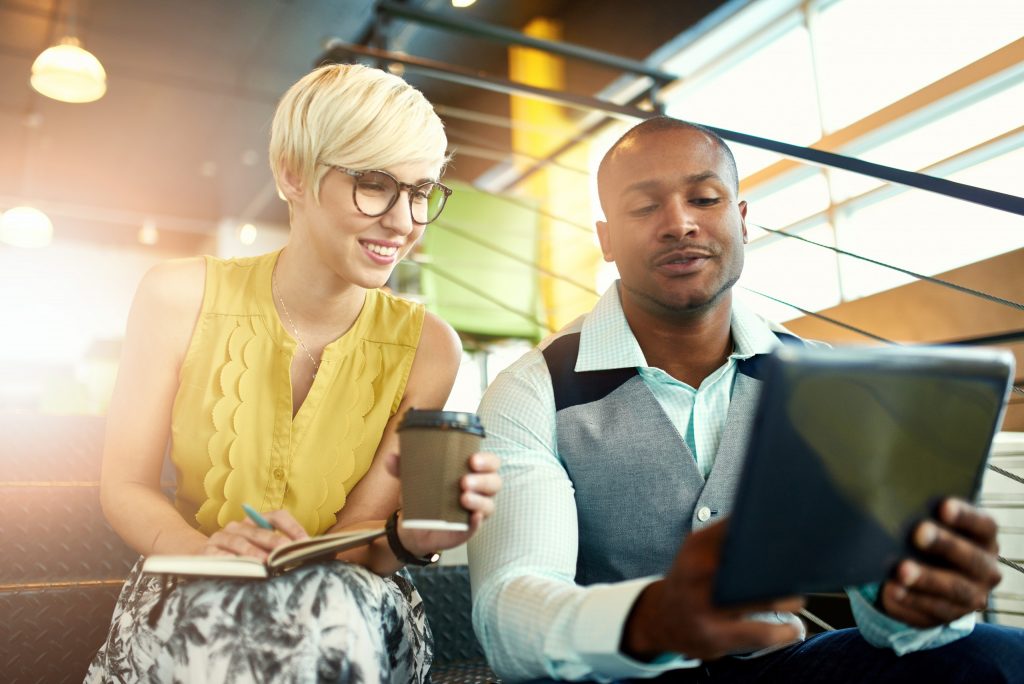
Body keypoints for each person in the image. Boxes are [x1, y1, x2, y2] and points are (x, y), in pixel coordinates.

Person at [468, 116, 1022, 683]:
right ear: (607, 240)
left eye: (705, 198)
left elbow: (893, 626)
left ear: (742, 219)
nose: (679, 224)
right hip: (615, 675)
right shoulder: (531, 389)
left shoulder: (826, 383)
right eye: (643, 208)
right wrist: (654, 620)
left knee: (998, 657)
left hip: (779, 665)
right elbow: (509, 610)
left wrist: (918, 605)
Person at [86, 63, 501, 683]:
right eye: (374, 184)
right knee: (225, 628)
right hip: (194, 578)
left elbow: (363, 541)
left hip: (349, 598)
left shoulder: (429, 346)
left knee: (321, 617)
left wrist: (414, 536)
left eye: (420, 191)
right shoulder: (177, 296)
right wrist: (204, 553)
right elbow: (126, 487)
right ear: (293, 175)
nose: (404, 220)